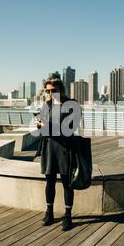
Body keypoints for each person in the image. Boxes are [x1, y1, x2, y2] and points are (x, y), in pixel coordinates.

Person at [34, 74, 81, 231]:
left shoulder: (72, 105)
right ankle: (50, 212)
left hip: (65, 150)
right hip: (49, 148)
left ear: (61, 89)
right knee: (49, 182)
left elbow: (68, 130)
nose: (49, 94)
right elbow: (42, 124)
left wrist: (46, 126)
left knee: (67, 184)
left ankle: (68, 216)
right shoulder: (46, 105)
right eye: (47, 91)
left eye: (53, 90)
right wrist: (40, 125)